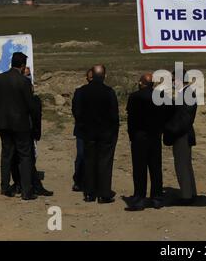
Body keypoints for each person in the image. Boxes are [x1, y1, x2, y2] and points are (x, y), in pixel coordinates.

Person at [0, 52, 37, 200]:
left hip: (4, 123)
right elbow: (30, 105)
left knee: (6, 155)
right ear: (22, 66)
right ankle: (26, 191)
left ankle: (5, 187)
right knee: (25, 156)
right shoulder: (24, 82)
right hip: (21, 124)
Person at [76, 64, 119, 204]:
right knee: (105, 163)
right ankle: (104, 193)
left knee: (89, 162)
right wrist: (114, 131)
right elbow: (114, 114)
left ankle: (89, 193)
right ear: (104, 76)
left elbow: (76, 111)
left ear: (92, 76)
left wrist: (82, 126)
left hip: (88, 132)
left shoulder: (81, 91)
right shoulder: (109, 92)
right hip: (106, 133)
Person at [125, 73, 167, 211]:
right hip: (155, 136)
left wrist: (131, 135)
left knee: (139, 168)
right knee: (155, 168)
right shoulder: (161, 96)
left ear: (142, 83)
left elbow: (131, 119)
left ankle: (139, 197)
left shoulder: (134, 97)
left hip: (139, 137)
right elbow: (168, 113)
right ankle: (157, 198)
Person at [10, 68, 53, 196]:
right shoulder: (16, 94)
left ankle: (30, 184)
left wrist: (37, 131)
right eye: (26, 75)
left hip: (29, 130)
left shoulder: (31, 95)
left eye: (29, 75)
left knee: (29, 159)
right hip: (19, 130)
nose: (28, 78)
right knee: (21, 158)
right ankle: (26, 185)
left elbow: (36, 115)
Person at [164, 70, 198, 205]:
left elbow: (184, 119)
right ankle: (190, 193)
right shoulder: (184, 93)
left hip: (182, 135)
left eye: (173, 80)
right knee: (186, 165)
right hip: (183, 134)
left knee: (182, 166)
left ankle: (186, 196)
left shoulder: (187, 93)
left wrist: (171, 131)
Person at [71, 68, 93, 192]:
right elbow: (75, 110)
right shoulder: (79, 92)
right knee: (81, 155)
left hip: (96, 130)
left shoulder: (105, 92)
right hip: (82, 129)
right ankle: (78, 180)